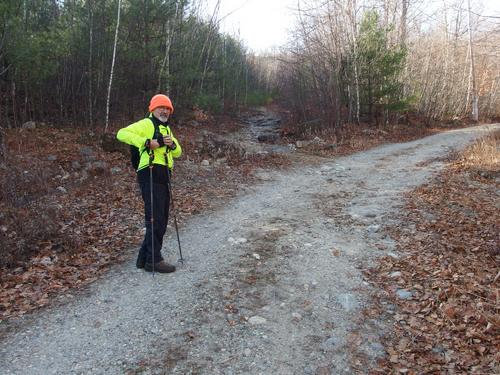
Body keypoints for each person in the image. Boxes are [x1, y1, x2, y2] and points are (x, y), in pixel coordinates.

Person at [117, 94, 182, 273]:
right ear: (152, 109)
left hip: (164, 175)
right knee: (155, 218)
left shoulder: (167, 129)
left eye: (168, 108)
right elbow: (121, 133)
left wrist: (172, 145)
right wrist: (146, 142)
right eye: (161, 107)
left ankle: (143, 258)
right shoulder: (147, 124)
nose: (165, 111)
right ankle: (154, 259)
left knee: (161, 217)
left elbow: (178, 152)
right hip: (150, 172)